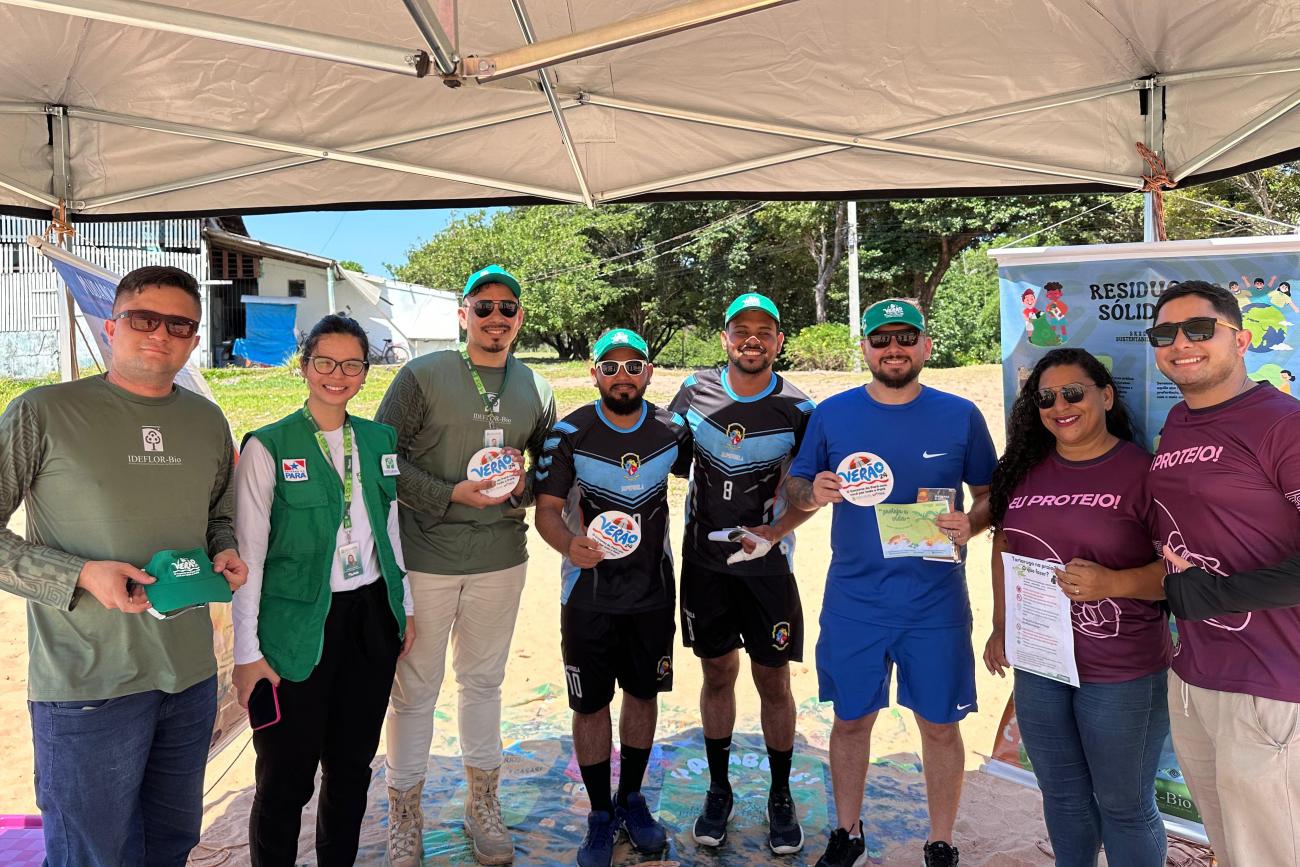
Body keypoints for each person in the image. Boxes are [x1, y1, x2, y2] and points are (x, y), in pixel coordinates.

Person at [0, 265, 247, 866]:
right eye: (143, 318)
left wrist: (225, 549)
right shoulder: (43, 412)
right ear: (112, 327)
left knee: (171, 844)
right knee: (92, 854)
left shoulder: (206, 420)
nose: (160, 333)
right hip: (88, 683)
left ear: (194, 339)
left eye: (179, 325)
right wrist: (80, 574)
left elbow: (219, 514)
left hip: (188, 679)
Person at [784, 298, 997, 867]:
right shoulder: (832, 414)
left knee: (941, 726)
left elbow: (989, 494)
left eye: (906, 337)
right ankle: (847, 833)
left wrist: (972, 523)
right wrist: (813, 491)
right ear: (865, 349)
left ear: (926, 346)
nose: (893, 348)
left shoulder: (960, 415)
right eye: (881, 339)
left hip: (935, 605)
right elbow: (796, 487)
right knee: (851, 720)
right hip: (855, 601)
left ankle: (940, 841)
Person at [377, 264, 556, 866]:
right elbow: (382, 458)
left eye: (507, 308)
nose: (495, 318)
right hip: (424, 558)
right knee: (414, 689)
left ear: (519, 318)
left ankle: (483, 805)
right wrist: (448, 494)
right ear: (463, 315)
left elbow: (547, 470)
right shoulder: (421, 375)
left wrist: (525, 486)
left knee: (483, 683)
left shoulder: (538, 388)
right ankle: (405, 815)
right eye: (483, 307)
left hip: (500, 559)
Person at [232, 315, 417, 866]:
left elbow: (390, 529)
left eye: (352, 364)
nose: (338, 375)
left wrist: (403, 608)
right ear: (305, 366)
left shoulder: (379, 440)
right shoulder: (268, 446)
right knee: (286, 777)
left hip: (371, 618)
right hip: (295, 628)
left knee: (353, 768)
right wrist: (247, 653)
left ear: (365, 372)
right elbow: (249, 557)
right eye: (325, 362)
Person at [982, 347, 1171, 867]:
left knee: (1124, 806)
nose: (1059, 406)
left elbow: (1182, 571)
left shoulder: (1144, 472)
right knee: (1062, 797)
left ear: (1106, 396)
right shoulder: (1024, 469)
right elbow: (1004, 544)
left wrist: (1113, 582)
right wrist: (1002, 624)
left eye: (1072, 393)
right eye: (1046, 398)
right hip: (1041, 664)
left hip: (1121, 669)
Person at [1145, 279, 1300, 866]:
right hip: (1195, 676)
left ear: (1241, 339)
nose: (1181, 343)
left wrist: (1216, 594)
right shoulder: (1178, 421)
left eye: (1199, 329)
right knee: (1232, 851)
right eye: (1165, 333)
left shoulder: (1283, 423)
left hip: (1271, 683)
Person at [534, 328, 691, 866]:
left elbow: (719, 470)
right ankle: (601, 814)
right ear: (594, 373)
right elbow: (547, 510)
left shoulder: (673, 430)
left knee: (643, 696)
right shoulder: (569, 433)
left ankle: (633, 800)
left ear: (649, 372)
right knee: (591, 704)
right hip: (588, 596)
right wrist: (568, 545)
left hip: (652, 593)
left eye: (633, 365)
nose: (622, 376)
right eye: (610, 366)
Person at [665, 292, 815, 854]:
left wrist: (776, 528)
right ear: (725, 337)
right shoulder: (693, 391)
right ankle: (719, 790)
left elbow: (810, 491)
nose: (752, 339)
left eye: (764, 331)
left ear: (779, 341)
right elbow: (666, 460)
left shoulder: (800, 409)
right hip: (705, 566)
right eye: (741, 330)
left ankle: (780, 794)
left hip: (769, 569)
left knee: (773, 681)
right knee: (717, 674)